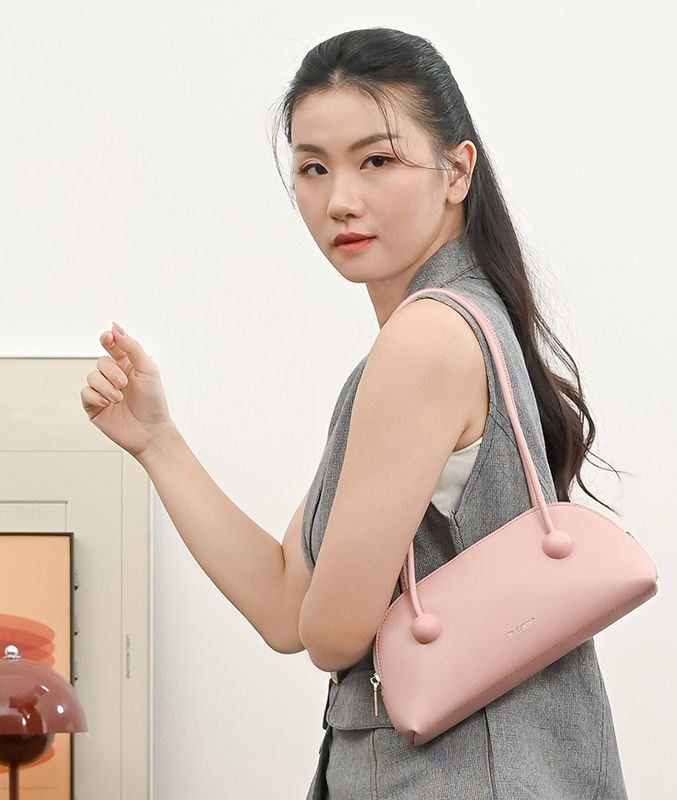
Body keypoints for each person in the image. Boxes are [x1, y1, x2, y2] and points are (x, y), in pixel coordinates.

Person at [81, 27, 628, 800]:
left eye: (377, 160)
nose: (340, 199)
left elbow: (331, 632)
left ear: (456, 170)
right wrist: (156, 441)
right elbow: (286, 607)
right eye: (313, 168)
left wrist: (331, 611)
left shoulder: (424, 341)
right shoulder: (458, 326)